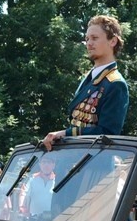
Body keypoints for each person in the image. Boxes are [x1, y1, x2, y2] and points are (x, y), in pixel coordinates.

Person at [42, 15, 129, 150]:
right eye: (87, 39)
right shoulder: (89, 78)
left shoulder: (115, 83)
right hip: (77, 158)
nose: (88, 43)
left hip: (97, 163)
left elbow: (108, 133)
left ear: (112, 41)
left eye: (94, 38)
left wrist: (66, 133)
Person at [20, 154, 56, 221]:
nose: (46, 165)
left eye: (49, 162)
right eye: (44, 162)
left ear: (53, 165)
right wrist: (23, 208)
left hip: (51, 219)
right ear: (40, 164)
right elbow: (24, 194)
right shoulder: (32, 178)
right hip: (33, 218)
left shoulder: (57, 180)